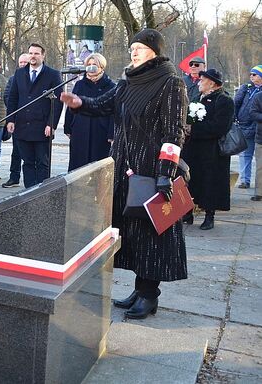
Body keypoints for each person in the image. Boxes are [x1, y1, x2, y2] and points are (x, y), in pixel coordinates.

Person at [61, 28, 188, 320]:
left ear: (155, 51)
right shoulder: (128, 80)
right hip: (125, 167)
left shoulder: (171, 82)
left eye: (140, 48)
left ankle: (149, 294)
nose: (134, 52)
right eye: (132, 48)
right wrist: (80, 104)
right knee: (132, 233)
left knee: (152, 234)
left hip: (152, 170)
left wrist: (165, 173)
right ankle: (139, 289)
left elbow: (174, 132)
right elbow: (105, 104)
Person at [181, 69, 234, 230]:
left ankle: (209, 216)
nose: (198, 82)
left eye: (202, 80)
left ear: (212, 83)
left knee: (210, 183)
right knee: (191, 181)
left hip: (212, 151)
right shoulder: (198, 98)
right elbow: (191, 119)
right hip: (194, 149)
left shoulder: (224, 100)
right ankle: (187, 212)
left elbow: (220, 127)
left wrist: (194, 129)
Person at [5, 43, 63, 188]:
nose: (33, 56)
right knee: (28, 162)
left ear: (43, 56)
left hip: (42, 127)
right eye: (30, 53)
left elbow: (58, 103)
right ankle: (29, 192)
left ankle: (42, 193)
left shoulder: (53, 74)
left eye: (36, 53)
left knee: (42, 162)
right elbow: (13, 98)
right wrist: (10, 119)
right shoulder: (19, 73)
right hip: (22, 126)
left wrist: (51, 123)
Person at [64, 53, 115, 171]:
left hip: (100, 130)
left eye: (94, 65)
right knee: (78, 165)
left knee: (97, 165)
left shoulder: (110, 86)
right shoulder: (80, 84)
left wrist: (111, 134)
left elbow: (113, 111)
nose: (91, 67)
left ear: (101, 67)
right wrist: (68, 127)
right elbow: (71, 106)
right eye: (89, 65)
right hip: (80, 129)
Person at [3, 53, 30, 188]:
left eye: (26, 62)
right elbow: (8, 96)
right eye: (21, 62)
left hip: (34, 122)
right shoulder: (14, 78)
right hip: (18, 121)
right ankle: (14, 177)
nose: (23, 64)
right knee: (17, 151)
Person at [234, 65, 262, 188]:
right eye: (250, 74)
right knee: (245, 155)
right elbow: (236, 103)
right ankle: (245, 180)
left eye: (254, 74)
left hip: (258, 126)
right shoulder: (246, 88)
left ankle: (259, 184)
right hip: (244, 125)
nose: (251, 76)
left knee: (259, 158)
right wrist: (234, 118)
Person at [249, 85, 262, 202]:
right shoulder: (258, 97)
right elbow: (252, 113)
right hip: (261, 137)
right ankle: (259, 192)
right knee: (260, 166)